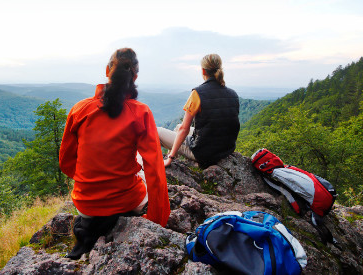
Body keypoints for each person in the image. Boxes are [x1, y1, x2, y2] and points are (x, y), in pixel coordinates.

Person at [59, 48, 170, 259]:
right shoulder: (140, 111)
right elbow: (154, 169)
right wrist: (157, 219)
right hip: (126, 202)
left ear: (107, 70)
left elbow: (66, 162)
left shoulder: (79, 110)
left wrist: (94, 181)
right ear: (135, 76)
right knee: (139, 160)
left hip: (85, 206)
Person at [159, 53, 240, 169]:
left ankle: (170, 160)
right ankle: (175, 160)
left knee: (157, 132)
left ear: (203, 71)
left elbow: (184, 129)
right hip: (225, 150)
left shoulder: (198, 93)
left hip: (203, 153)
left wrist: (170, 157)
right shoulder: (233, 94)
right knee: (178, 126)